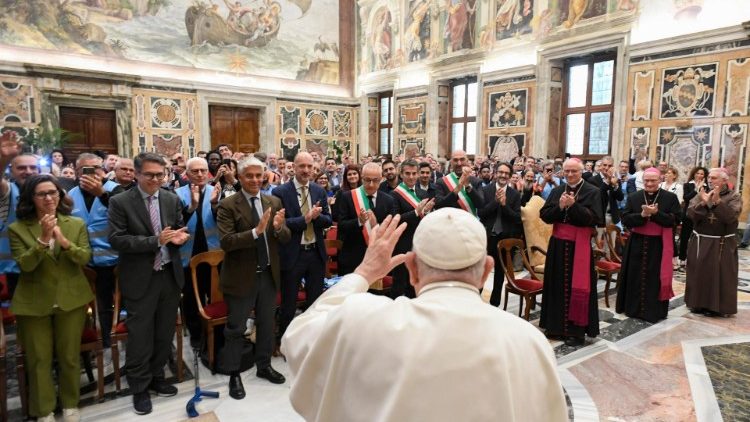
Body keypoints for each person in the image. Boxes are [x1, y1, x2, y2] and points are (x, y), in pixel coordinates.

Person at [281, 210, 568, 422]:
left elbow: (296, 338)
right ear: (486, 271)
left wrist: (363, 274)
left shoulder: (362, 319)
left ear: (412, 268)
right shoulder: (528, 340)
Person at [108, 153, 190, 415]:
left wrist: (179, 236)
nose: (156, 179)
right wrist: (155, 241)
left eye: (160, 175)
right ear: (137, 174)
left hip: (169, 275)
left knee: (164, 333)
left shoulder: (170, 198)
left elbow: (179, 228)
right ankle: (140, 387)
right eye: (150, 175)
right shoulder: (121, 201)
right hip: (141, 277)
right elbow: (117, 239)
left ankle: (157, 377)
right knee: (140, 337)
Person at [9, 174, 93, 422]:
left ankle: (70, 404)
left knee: (68, 356)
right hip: (34, 302)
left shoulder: (75, 224)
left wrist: (64, 242)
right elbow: (25, 265)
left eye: (53, 192)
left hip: (71, 298)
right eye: (42, 194)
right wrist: (43, 240)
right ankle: (44, 410)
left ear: (60, 195)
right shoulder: (18, 228)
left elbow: (84, 258)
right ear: (31, 198)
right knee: (39, 360)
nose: (48, 198)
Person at [217, 157, 291, 398]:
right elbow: (226, 242)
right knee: (236, 328)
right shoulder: (228, 205)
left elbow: (286, 237)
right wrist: (255, 232)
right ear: (239, 178)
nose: (255, 180)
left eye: (259, 175)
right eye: (249, 176)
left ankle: (264, 366)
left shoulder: (274, 200)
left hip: (268, 275)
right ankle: (233, 373)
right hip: (241, 277)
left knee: (266, 324)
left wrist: (279, 228)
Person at [539, 158, 603, 346]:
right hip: (558, 245)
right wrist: (559, 207)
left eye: (573, 171)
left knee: (579, 286)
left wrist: (573, 206)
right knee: (556, 285)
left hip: (579, 246)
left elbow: (595, 219)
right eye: (566, 171)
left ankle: (576, 332)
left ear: (581, 171)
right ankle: (555, 327)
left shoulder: (593, 191)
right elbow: (545, 216)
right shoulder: (558, 190)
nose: (569, 174)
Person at [272, 152, 332, 344]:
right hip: (293, 254)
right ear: (293, 168)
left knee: (315, 300)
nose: (306, 170)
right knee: (289, 302)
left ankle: (310, 340)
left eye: (309, 166)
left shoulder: (319, 191)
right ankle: (285, 341)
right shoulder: (280, 192)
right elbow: (281, 224)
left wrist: (316, 217)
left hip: (315, 253)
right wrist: (305, 219)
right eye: (302, 166)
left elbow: (328, 220)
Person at [68, 153, 120, 347]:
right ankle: (104, 339)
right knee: (99, 304)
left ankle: (121, 334)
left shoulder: (116, 190)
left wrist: (102, 194)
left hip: (115, 259)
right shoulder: (70, 195)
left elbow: (127, 216)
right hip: (85, 262)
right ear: (76, 172)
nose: (91, 173)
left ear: (104, 169)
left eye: (96, 168)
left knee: (122, 300)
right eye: (85, 170)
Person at [616, 168, 681, 323]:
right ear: (642, 180)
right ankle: (632, 309)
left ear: (660, 180)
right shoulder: (634, 197)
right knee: (634, 275)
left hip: (658, 245)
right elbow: (625, 219)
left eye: (653, 180)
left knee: (654, 278)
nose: (649, 183)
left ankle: (654, 311)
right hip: (636, 243)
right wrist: (643, 215)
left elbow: (675, 220)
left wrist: (656, 214)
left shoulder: (670, 198)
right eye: (647, 180)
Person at [175, 157, 221, 348]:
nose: (200, 174)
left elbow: (225, 223)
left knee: (215, 295)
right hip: (188, 254)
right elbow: (174, 225)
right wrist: (192, 207)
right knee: (192, 298)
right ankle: (196, 333)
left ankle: (216, 331)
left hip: (213, 254)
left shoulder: (216, 192)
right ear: (187, 173)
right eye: (195, 171)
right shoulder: (176, 195)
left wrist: (216, 205)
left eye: (203, 170)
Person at [685, 168, 741, 317]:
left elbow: (731, 218)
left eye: (714, 178)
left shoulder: (734, 197)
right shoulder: (701, 194)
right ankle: (696, 304)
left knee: (720, 275)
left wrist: (717, 203)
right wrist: (703, 203)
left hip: (721, 243)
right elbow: (690, 214)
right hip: (700, 241)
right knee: (698, 273)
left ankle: (717, 307)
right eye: (709, 177)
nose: (710, 180)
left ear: (724, 180)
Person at [337, 162, 397, 275]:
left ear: (382, 179)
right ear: (362, 177)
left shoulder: (388, 200)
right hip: (353, 257)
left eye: (375, 180)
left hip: (377, 257)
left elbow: (391, 230)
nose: (371, 184)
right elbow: (341, 226)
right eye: (367, 180)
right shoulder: (348, 197)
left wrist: (376, 226)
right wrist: (359, 221)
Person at [1, 132, 39, 298]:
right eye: (21, 168)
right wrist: (4, 159)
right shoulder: (7, 191)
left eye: (32, 167)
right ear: (12, 171)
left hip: (45, 265)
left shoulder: (52, 192)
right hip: (14, 268)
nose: (28, 171)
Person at [478, 162, 521, 307]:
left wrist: (504, 205)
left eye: (506, 174)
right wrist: (496, 202)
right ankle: (476, 301)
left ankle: (494, 303)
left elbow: (516, 218)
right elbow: (482, 214)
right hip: (487, 238)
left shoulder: (514, 194)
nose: (503, 175)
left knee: (499, 274)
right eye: (500, 172)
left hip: (504, 239)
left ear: (509, 176)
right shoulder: (486, 191)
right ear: (495, 173)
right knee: (482, 270)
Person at [390, 159, 434, 298]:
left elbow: (425, 219)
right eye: (407, 173)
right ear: (401, 174)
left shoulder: (422, 192)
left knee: (416, 283)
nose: (411, 177)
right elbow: (395, 220)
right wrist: (416, 212)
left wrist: (426, 212)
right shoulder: (394, 195)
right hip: (402, 245)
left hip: (420, 244)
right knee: (400, 285)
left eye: (414, 173)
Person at [435, 150, 484, 215]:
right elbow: (438, 205)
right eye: (455, 160)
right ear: (451, 162)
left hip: (469, 223)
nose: (459, 163)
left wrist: (468, 186)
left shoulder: (476, 181)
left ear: (467, 161)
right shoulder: (441, 182)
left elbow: (481, 204)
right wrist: (457, 189)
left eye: (462, 159)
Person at [678, 166, 709, 269]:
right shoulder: (688, 185)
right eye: (698, 173)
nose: (699, 176)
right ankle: (682, 258)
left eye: (702, 174)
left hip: (701, 215)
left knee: (698, 237)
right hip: (688, 214)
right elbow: (686, 198)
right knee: (685, 237)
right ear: (694, 174)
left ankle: (696, 258)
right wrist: (696, 189)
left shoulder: (707, 187)